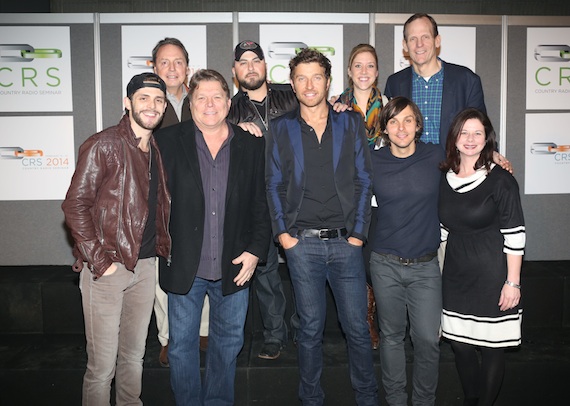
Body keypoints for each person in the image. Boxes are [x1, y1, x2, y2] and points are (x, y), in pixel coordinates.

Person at [266, 48, 378, 405]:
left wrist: (359, 234)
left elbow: (363, 179)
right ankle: (311, 399)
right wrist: (284, 236)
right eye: (301, 77)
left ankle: (366, 397)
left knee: (358, 330)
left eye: (316, 76)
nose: (309, 84)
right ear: (292, 84)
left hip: (348, 244)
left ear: (329, 81)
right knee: (310, 330)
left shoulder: (350, 122)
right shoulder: (280, 127)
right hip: (303, 246)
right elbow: (272, 184)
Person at [154, 69, 271, 405]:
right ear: (190, 102)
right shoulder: (167, 142)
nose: (209, 104)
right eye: (201, 97)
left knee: (228, 344)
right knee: (181, 347)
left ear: (228, 101)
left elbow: (261, 203)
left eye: (217, 96)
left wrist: (254, 251)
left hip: (235, 265)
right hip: (184, 265)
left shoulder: (250, 143)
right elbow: (154, 201)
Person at [62, 72, 170, 405]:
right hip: (108, 269)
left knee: (134, 357)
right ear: (127, 103)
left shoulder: (155, 148)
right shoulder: (103, 144)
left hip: (146, 265)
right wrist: (100, 262)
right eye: (143, 99)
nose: (151, 106)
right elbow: (75, 205)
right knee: (101, 368)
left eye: (158, 100)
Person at [439, 108, 525, 406]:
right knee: (460, 345)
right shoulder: (444, 177)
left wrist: (512, 283)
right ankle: (471, 399)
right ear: (455, 137)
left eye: (478, 132)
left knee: (492, 348)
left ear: (487, 138)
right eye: (464, 132)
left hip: (492, 275)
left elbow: (516, 234)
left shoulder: (501, 180)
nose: (471, 139)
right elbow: (442, 228)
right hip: (455, 275)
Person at [369, 96, 443, 406]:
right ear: (384, 128)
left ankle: (424, 401)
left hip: (425, 266)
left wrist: (493, 153)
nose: (401, 127)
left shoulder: (436, 156)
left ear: (418, 125)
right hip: (385, 263)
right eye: (394, 121)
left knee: (427, 339)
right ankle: (396, 400)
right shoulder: (372, 161)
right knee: (391, 337)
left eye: (408, 120)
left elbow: (471, 159)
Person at [227, 40, 298, 360]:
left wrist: (338, 104)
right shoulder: (228, 110)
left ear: (265, 66)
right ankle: (274, 335)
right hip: (257, 201)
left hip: (298, 198)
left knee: (306, 270)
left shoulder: (292, 95)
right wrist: (233, 132)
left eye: (256, 60)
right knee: (267, 272)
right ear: (235, 71)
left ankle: (304, 329)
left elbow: (321, 112)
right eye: (243, 62)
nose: (250, 66)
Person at [150, 37, 210, 367]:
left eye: (178, 62)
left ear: (187, 66)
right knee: (166, 272)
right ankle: (167, 337)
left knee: (204, 264)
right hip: (163, 203)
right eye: (164, 62)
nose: (172, 68)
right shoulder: (147, 102)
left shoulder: (200, 98)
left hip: (202, 198)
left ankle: (202, 332)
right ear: (154, 67)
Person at [337, 43, 389, 350]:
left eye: (370, 66)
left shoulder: (392, 108)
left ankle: (375, 319)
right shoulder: (334, 109)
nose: (364, 71)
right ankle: (362, 324)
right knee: (352, 262)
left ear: (378, 71)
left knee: (375, 263)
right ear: (348, 71)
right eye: (358, 65)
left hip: (381, 198)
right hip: (347, 197)